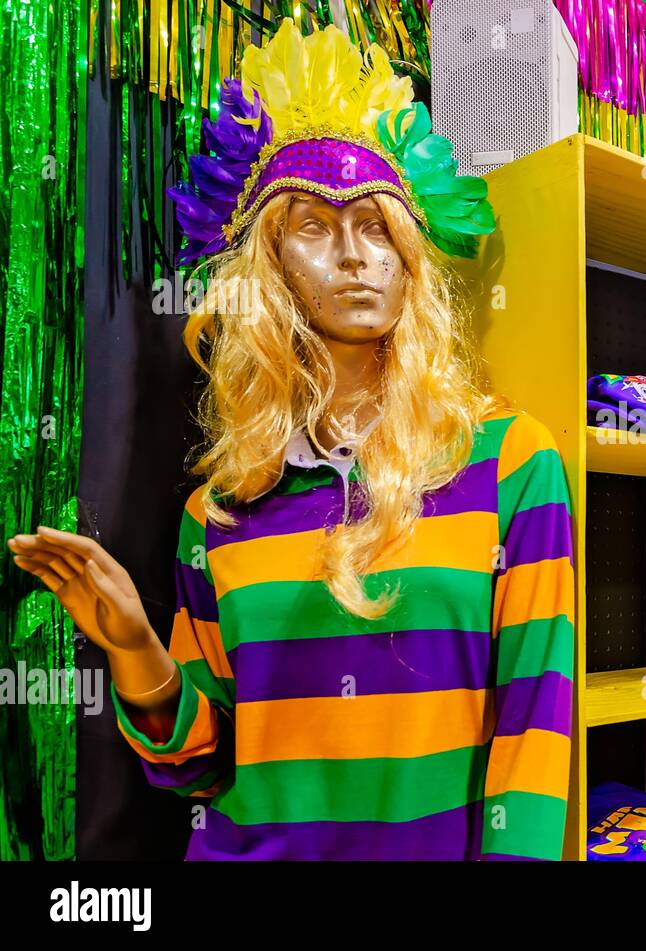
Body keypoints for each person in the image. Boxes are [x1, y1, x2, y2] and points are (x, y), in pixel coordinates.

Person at [6, 20, 574, 861]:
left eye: (378, 227)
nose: (354, 255)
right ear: (268, 273)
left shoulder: (508, 464)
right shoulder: (223, 509)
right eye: (311, 225)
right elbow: (200, 768)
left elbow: (535, 740)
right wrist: (135, 647)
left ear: (411, 256)